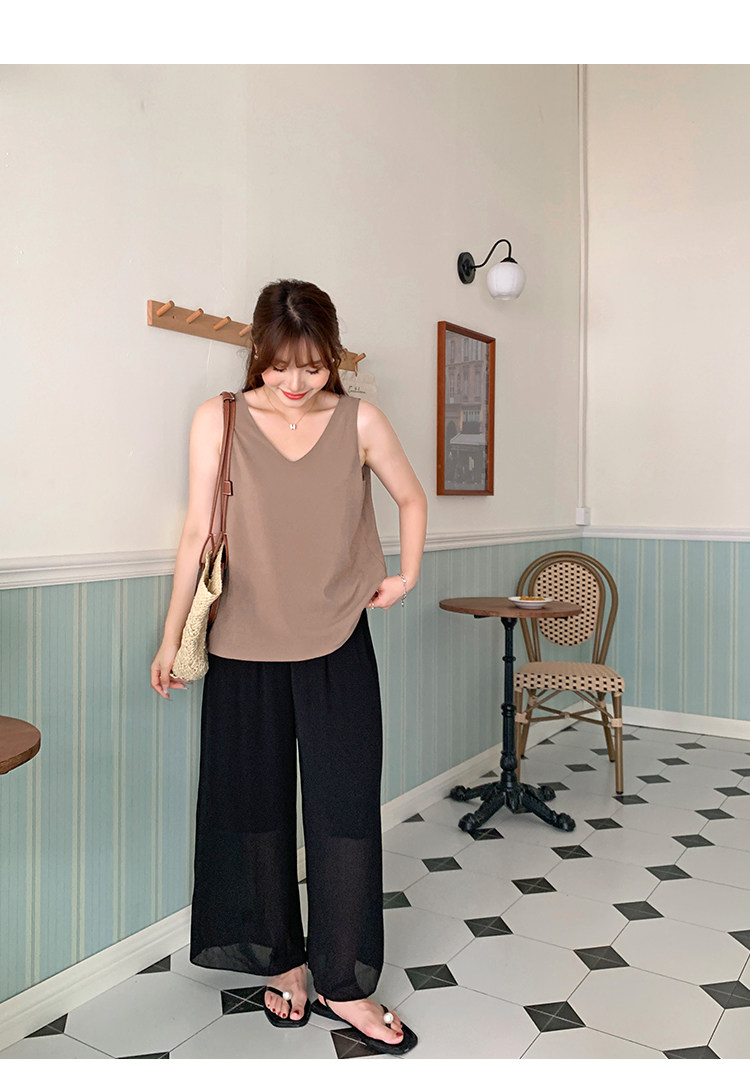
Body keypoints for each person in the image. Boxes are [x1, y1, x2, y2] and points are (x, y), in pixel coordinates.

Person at [150, 279, 428, 1055]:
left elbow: (411, 497)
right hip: (242, 648)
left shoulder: (361, 420)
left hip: (339, 643)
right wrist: (170, 638)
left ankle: (345, 980)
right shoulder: (219, 418)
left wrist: (405, 576)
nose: (296, 382)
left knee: (343, 814)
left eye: (312, 365)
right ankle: (285, 961)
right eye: (280, 366)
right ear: (258, 356)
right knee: (253, 812)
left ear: (332, 356)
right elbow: (196, 535)